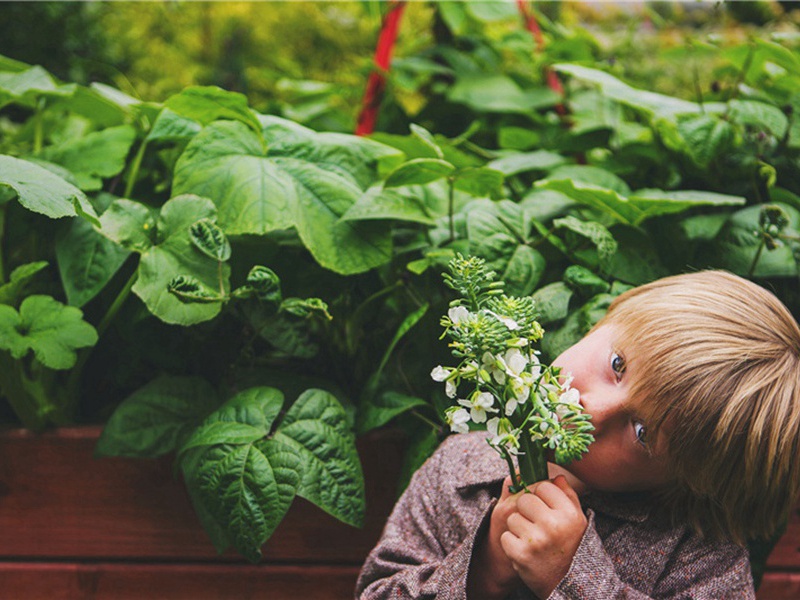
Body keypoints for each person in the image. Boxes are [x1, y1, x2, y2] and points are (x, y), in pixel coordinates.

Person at [355, 270, 800, 599]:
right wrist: (483, 570)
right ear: (607, 319)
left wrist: (575, 578)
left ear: (687, 481)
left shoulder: (702, 560)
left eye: (643, 432)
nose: (592, 410)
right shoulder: (460, 468)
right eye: (618, 366)